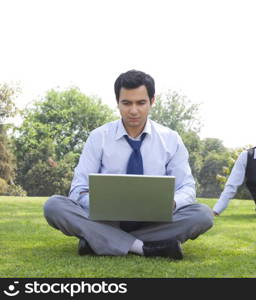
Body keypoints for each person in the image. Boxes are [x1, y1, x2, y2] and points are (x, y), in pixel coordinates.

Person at [44, 70, 213, 260]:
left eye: (141, 103)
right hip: (107, 220)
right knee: (54, 206)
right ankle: (143, 247)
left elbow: (187, 188)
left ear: (152, 101)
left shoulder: (171, 139)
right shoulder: (98, 137)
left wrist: (171, 203)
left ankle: (99, 240)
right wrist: (102, 204)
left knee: (202, 215)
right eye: (126, 103)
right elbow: (78, 188)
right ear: (117, 102)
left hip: (154, 221)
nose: (133, 110)